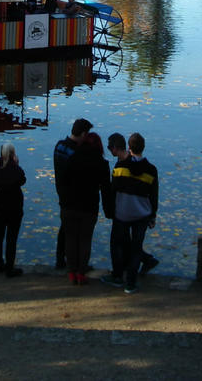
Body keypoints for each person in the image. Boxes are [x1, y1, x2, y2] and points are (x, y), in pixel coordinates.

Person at [102, 132, 158, 294]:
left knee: (118, 244)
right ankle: (131, 283)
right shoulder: (151, 170)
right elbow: (154, 195)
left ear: (129, 147)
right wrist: (153, 215)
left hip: (122, 213)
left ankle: (118, 275)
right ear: (143, 147)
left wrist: (111, 211)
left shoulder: (120, 168)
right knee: (136, 247)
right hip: (142, 214)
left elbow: (113, 191)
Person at [59, 132, 112, 285]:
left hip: (69, 205)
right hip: (89, 207)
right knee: (85, 240)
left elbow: (64, 181)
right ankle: (81, 273)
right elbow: (106, 190)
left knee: (70, 238)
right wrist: (108, 211)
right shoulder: (102, 164)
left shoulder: (72, 159)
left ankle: (71, 272)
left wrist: (62, 201)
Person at [52, 118, 92, 270]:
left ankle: (59, 259)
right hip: (74, 197)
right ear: (83, 133)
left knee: (65, 228)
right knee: (74, 233)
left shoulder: (59, 146)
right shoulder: (76, 152)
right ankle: (76, 264)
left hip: (62, 193)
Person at [0, 143, 26, 278]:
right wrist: (16, 165)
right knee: (11, 238)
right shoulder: (17, 171)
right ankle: (10, 268)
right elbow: (23, 180)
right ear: (12, 155)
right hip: (15, 209)